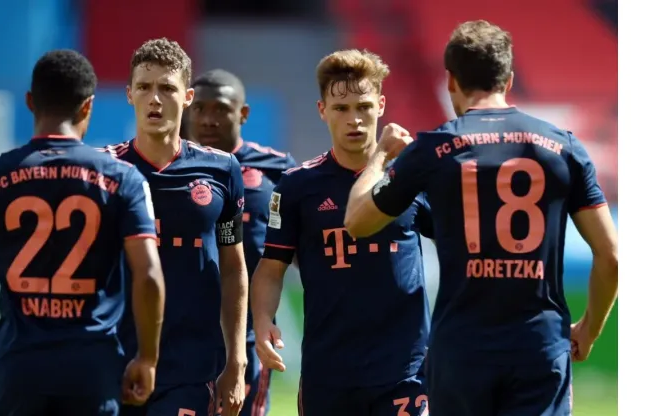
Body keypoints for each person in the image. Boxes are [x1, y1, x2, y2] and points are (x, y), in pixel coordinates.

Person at [344, 20, 619, 416]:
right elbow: (610, 255)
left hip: (461, 349)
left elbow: (357, 221)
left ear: (451, 80)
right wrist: (589, 328)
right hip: (538, 345)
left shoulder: (435, 147)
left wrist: (379, 158)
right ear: (508, 80)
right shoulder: (564, 147)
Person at [0, 49, 165, 416]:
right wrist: (147, 358)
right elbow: (148, 274)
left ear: (30, 102)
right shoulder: (124, 179)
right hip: (92, 371)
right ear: (88, 107)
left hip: (17, 371)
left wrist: (1, 231)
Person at [251, 49, 433, 416]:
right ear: (322, 111)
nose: (355, 120)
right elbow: (271, 268)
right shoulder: (297, 186)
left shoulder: (412, 177)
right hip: (329, 373)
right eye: (341, 108)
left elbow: (458, 245)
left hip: (405, 369)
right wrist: (262, 321)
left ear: (381, 105)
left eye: (364, 107)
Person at [101, 39, 248, 416]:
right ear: (129, 94)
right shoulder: (103, 169)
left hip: (192, 366)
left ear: (187, 98)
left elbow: (233, 267)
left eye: (167, 88)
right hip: (112, 360)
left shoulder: (223, 169)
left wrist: (236, 362)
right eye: (145, 87)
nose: (155, 98)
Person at [187, 68, 297, 416]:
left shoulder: (278, 170)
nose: (207, 119)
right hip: (183, 332)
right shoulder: (173, 168)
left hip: (247, 333)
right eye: (200, 108)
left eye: (219, 109)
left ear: (243, 113)